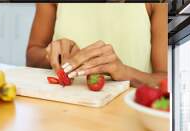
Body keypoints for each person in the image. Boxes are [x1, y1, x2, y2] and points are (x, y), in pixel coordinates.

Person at [26, 3, 167, 87]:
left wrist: (125, 72)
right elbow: (32, 56)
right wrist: (50, 54)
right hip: (62, 112)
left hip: (130, 119)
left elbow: (165, 80)